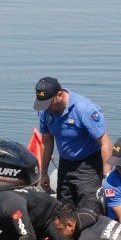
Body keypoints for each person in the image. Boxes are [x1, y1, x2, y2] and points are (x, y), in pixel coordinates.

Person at [33, 77, 113, 212]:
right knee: (64, 210)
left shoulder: (85, 110)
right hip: (65, 165)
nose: (44, 108)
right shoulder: (45, 110)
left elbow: (106, 143)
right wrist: (44, 172)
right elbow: (47, 141)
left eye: (47, 104)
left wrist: (107, 177)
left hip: (89, 166)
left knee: (89, 210)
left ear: (59, 95)